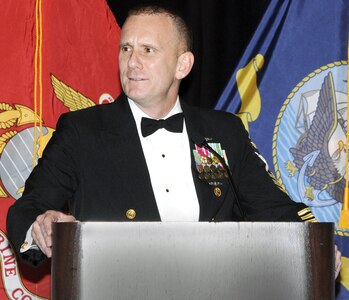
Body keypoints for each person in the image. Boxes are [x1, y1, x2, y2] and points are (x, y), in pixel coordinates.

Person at [7, 4, 340, 276]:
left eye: (148, 50)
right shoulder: (82, 131)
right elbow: (28, 209)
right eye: (126, 48)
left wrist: (316, 246)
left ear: (183, 64)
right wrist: (42, 226)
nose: (132, 63)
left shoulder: (223, 131)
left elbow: (273, 209)